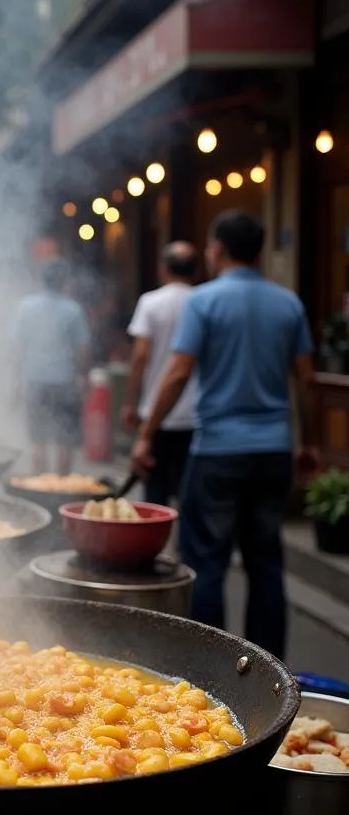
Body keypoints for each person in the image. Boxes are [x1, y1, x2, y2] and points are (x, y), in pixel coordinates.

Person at [131, 211, 318, 659]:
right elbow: (306, 380)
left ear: (217, 250)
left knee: (207, 564)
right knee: (266, 563)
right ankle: (271, 672)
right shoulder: (289, 303)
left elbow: (177, 373)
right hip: (273, 449)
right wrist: (308, 442)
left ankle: (212, 668)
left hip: (217, 450)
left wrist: (146, 434)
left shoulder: (205, 301)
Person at [121, 242, 198, 505]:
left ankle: (156, 545)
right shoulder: (202, 301)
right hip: (195, 415)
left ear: (163, 269)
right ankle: (181, 548)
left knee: (155, 494)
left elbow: (140, 357)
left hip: (156, 412)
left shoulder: (150, 303)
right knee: (189, 495)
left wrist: (130, 402)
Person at [11, 259, 91, 475]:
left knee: (38, 439)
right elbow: (83, 349)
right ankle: (61, 486)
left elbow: (18, 348)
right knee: (66, 440)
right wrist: (84, 378)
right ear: (64, 282)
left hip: (36, 380)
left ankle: (40, 485)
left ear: (42, 281)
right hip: (65, 382)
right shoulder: (73, 310)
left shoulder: (26, 307)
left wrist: (17, 380)